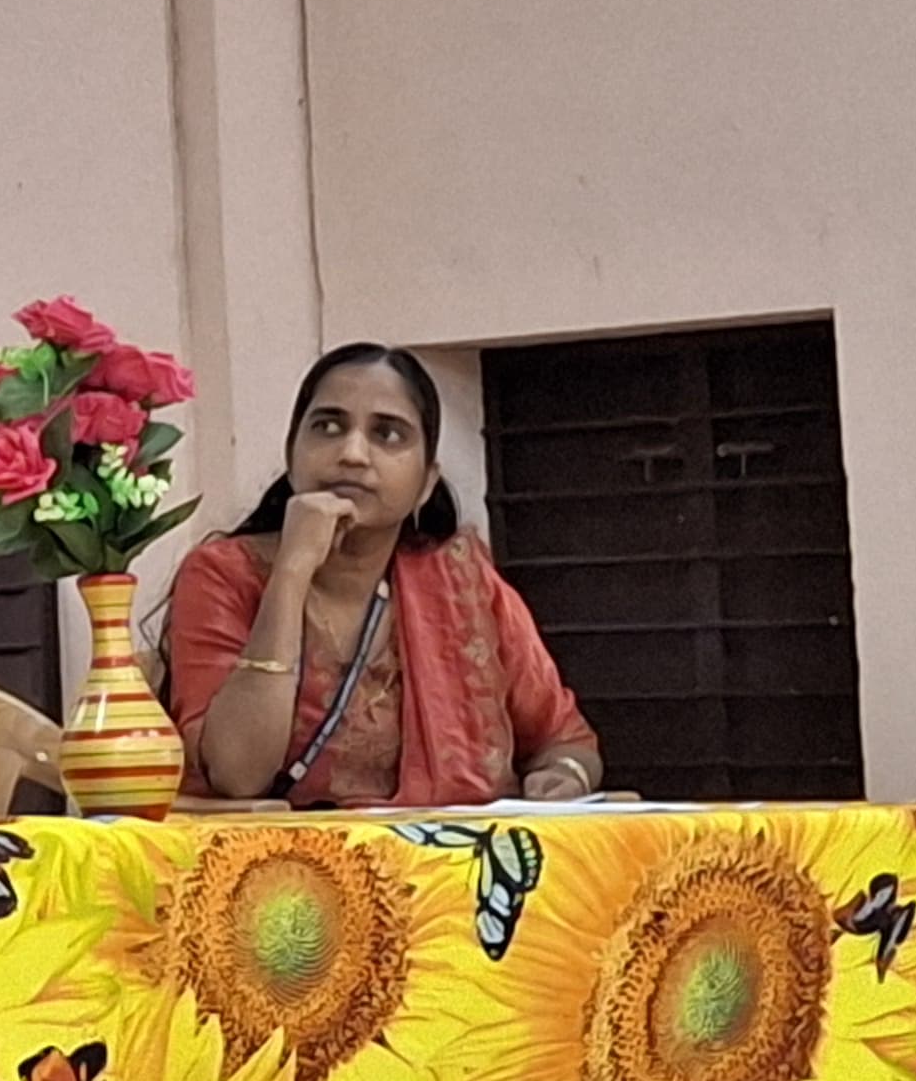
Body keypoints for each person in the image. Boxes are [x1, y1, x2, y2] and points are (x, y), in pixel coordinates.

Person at [165, 344, 604, 807]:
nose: (352, 453)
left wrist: (565, 774)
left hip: (450, 851)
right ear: (292, 456)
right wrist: (291, 572)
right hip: (285, 854)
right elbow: (237, 773)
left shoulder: (463, 584)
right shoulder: (222, 575)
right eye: (328, 427)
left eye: (388, 434)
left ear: (426, 482)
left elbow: (566, 740)